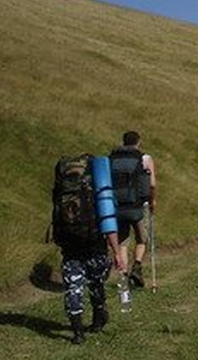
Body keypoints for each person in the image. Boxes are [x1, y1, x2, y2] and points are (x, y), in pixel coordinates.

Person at [51, 155, 126, 345]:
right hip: (94, 247)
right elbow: (108, 223)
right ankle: (98, 319)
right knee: (96, 284)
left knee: (73, 289)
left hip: (70, 248)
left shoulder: (63, 190)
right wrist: (117, 252)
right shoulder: (96, 191)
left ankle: (78, 333)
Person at [110, 130, 157, 288]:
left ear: (123, 142)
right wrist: (152, 201)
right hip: (138, 206)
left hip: (118, 206)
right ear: (138, 142)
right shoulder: (144, 158)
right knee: (141, 239)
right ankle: (137, 266)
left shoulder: (112, 159)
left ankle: (123, 275)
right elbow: (152, 184)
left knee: (122, 242)